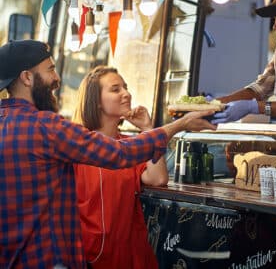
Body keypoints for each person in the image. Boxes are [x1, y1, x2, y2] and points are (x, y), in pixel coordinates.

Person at [0, 39, 216, 269]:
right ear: (27, 78)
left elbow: (152, 174)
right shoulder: (45, 127)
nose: (57, 78)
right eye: (50, 69)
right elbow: (120, 153)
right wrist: (179, 124)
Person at [73, 66, 167, 268]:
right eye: (116, 89)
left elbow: (158, 178)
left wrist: (148, 130)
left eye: (125, 87)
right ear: (96, 101)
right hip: (87, 256)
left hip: (128, 255)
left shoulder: (130, 145)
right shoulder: (76, 145)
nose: (127, 94)